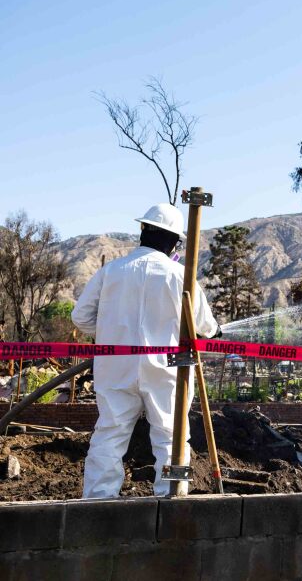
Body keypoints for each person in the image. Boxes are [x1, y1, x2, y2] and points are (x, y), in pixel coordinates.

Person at [72, 203, 219, 498]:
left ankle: (97, 502)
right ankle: (171, 496)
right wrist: (216, 330)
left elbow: (81, 317)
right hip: (167, 367)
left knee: (110, 434)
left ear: (143, 231)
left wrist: (109, 334)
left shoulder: (110, 271)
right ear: (174, 242)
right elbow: (205, 327)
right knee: (171, 436)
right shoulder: (181, 276)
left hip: (115, 366)